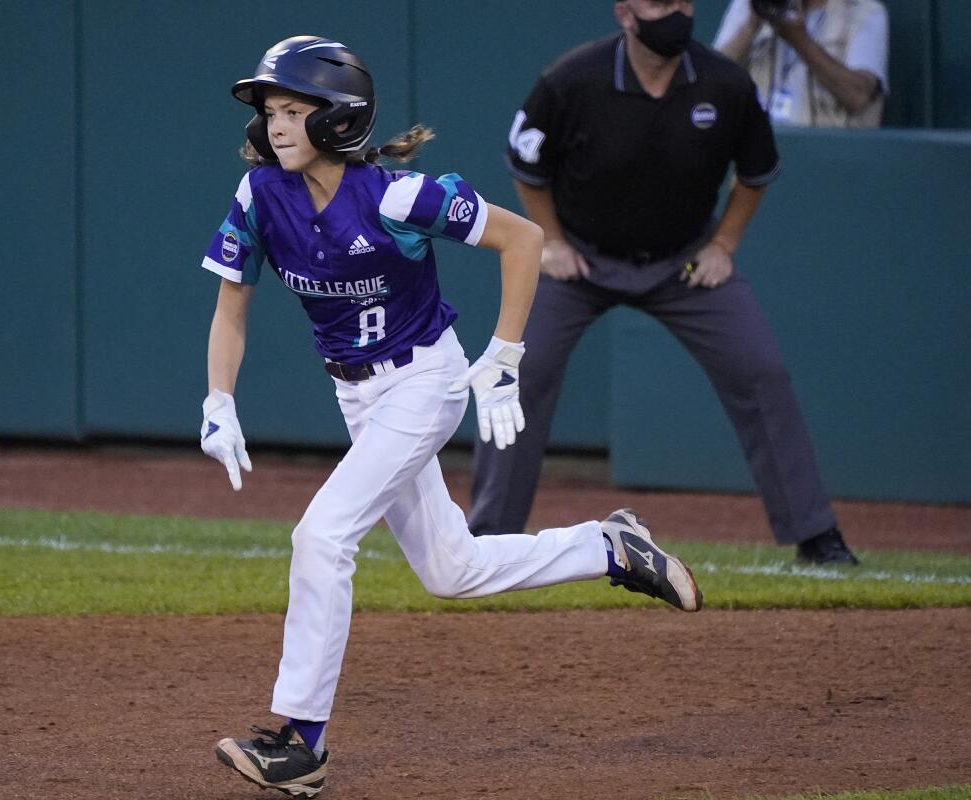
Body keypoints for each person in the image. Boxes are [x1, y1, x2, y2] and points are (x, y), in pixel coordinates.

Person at [199, 34, 703, 798]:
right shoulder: (261, 195)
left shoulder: (397, 196)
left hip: (423, 383)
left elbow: (524, 239)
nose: (275, 124)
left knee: (322, 535)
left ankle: (302, 744)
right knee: (450, 570)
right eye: (271, 109)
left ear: (339, 119)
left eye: (295, 110)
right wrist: (219, 398)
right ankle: (610, 547)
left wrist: (503, 354)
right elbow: (232, 305)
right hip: (357, 394)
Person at [469, 0, 860, 567]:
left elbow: (755, 175)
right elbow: (527, 164)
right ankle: (489, 541)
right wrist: (550, 241)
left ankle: (817, 535)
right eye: (659, 3)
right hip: (582, 259)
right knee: (520, 372)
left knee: (760, 372)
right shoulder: (572, 78)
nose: (675, 12)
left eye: (683, 1)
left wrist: (723, 246)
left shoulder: (725, 84)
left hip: (681, 262)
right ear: (626, 14)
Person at [713, 0, 889, 128]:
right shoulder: (750, 6)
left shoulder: (864, 12)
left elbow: (858, 96)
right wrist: (751, 27)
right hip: (756, 153)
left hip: (826, 158)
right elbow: (711, 83)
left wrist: (800, 40)